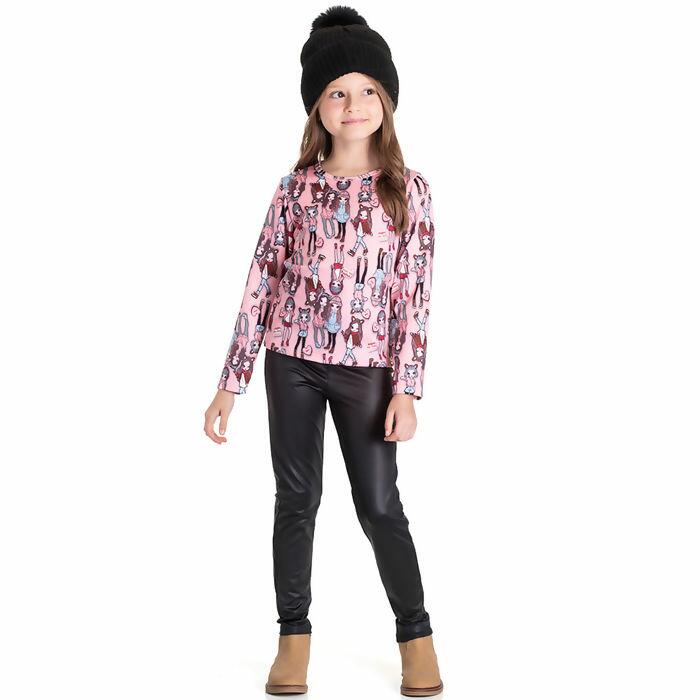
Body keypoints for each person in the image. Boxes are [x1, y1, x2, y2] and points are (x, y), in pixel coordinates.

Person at [203, 6, 443, 697]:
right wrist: (231, 382)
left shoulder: (409, 191)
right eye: (337, 92)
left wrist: (406, 389)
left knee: (379, 505)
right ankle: (293, 640)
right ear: (317, 106)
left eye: (367, 90)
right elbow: (261, 283)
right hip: (292, 363)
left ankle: (417, 636)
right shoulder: (295, 191)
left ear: (387, 100)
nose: (353, 104)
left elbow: (415, 297)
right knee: (297, 499)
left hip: (369, 371)